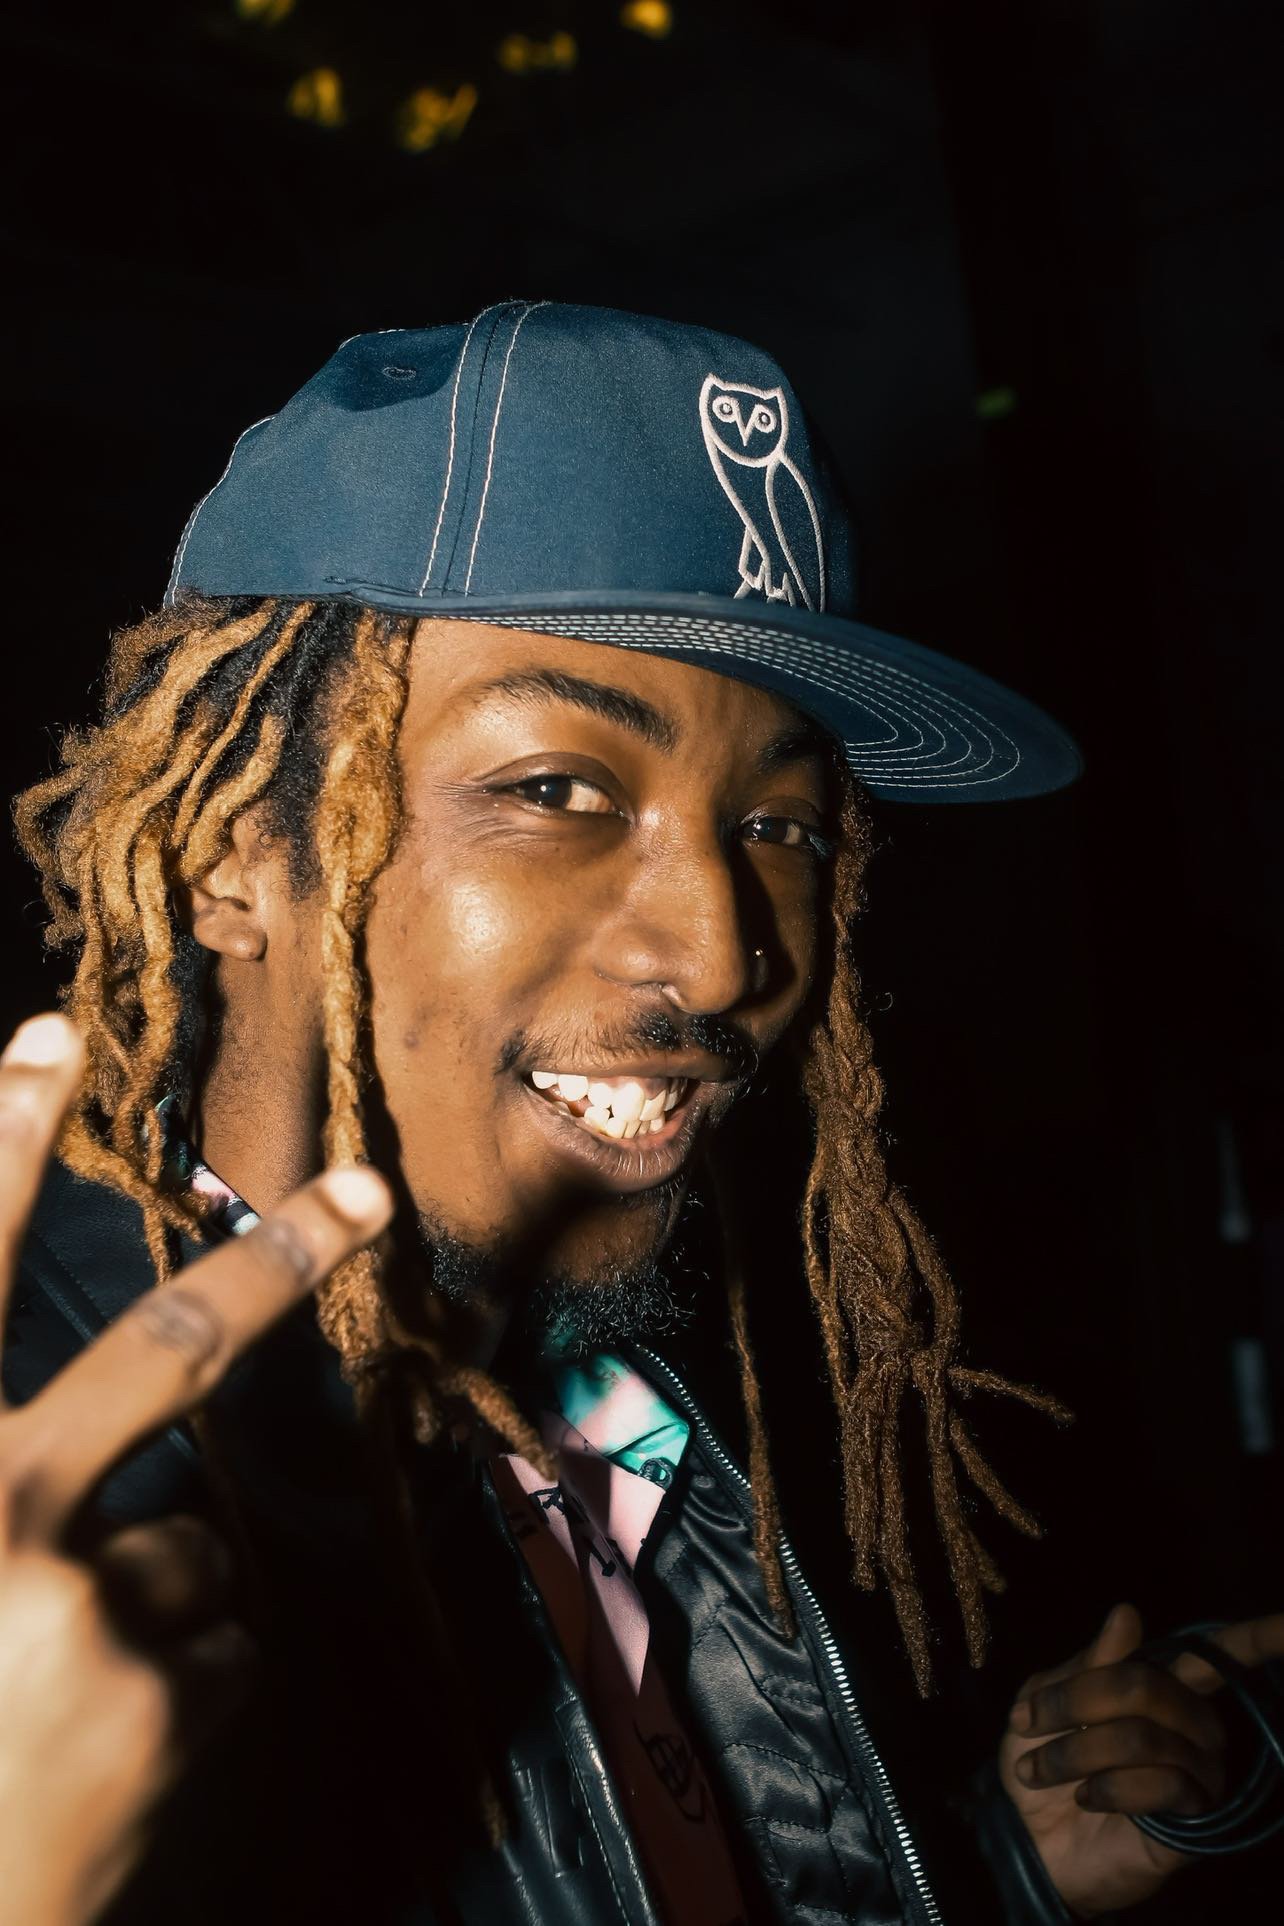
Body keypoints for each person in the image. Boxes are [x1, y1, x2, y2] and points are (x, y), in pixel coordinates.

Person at [4, 303, 1280, 1925]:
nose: (727, 949)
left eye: (781, 821)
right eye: (559, 790)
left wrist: (992, 1871)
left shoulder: (612, 1424)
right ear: (226, 850)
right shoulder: (56, 1484)